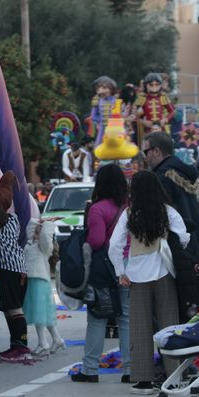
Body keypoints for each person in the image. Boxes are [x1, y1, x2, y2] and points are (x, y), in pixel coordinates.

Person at [110, 170, 190, 394]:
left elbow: (114, 246)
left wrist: (121, 271)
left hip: (137, 273)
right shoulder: (168, 212)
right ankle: (173, 376)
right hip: (165, 271)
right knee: (169, 325)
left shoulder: (129, 214)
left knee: (140, 327)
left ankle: (143, 380)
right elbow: (183, 238)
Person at [72, 164, 129, 383]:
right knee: (126, 317)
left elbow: (96, 241)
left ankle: (90, 369)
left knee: (98, 316)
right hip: (128, 265)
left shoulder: (97, 208)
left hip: (104, 267)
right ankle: (131, 368)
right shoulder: (129, 206)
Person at [141, 132, 199, 316]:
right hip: (194, 247)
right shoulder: (184, 171)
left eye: (145, 152)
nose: (145, 157)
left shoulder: (162, 177)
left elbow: (162, 215)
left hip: (175, 250)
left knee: (176, 309)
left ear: (156, 151)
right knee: (195, 306)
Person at [0, 173, 33, 363]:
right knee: (11, 308)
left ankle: (22, 347)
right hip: (19, 268)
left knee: (14, 309)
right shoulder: (14, 219)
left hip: (8, 269)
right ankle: (16, 344)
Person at [21, 208, 64, 357]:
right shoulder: (30, 243)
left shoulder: (44, 247)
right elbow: (29, 227)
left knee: (39, 312)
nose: (37, 230)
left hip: (39, 281)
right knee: (44, 313)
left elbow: (46, 235)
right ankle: (57, 339)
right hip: (33, 281)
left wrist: (48, 224)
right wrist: (40, 221)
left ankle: (43, 343)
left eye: (40, 229)